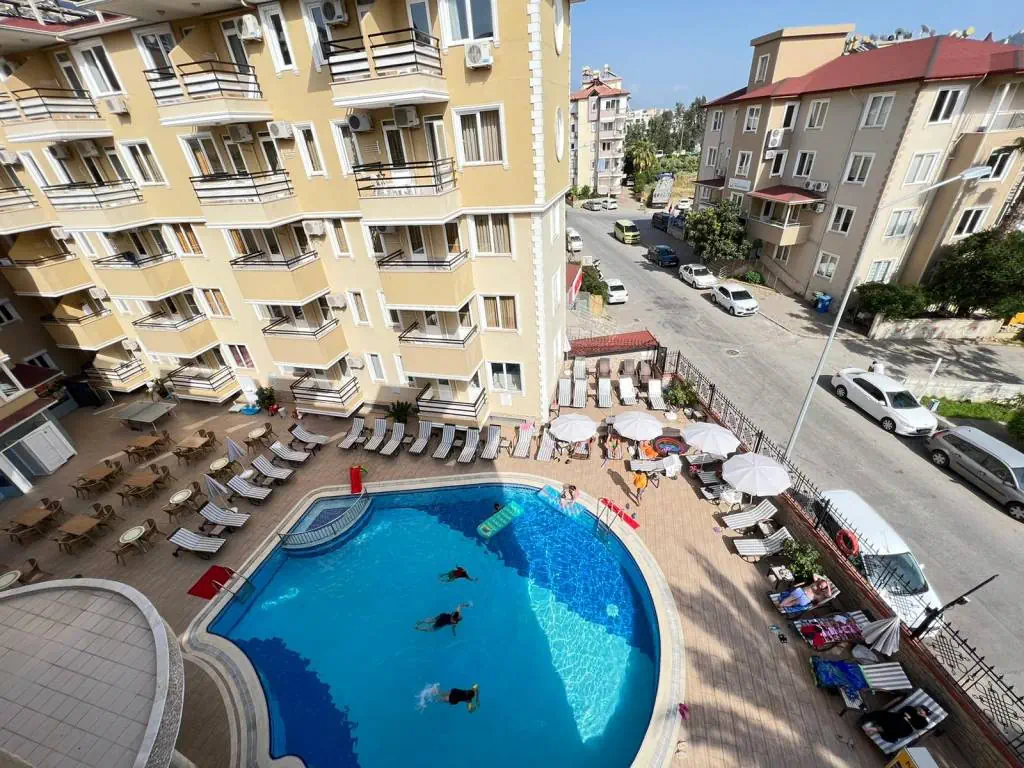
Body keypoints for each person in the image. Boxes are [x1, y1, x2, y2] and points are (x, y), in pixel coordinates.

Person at [859, 705, 931, 742]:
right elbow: (901, 711)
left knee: (897, 726)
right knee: (881, 714)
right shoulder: (911, 708)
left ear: (925, 715)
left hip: (906, 728)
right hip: (897, 718)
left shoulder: (924, 722)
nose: (920, 711)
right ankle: (867, 722)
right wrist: (909, 719)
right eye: (920, 709)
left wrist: (909, 719)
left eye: (922, 712)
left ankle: (876, 728)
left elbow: (917, 726)